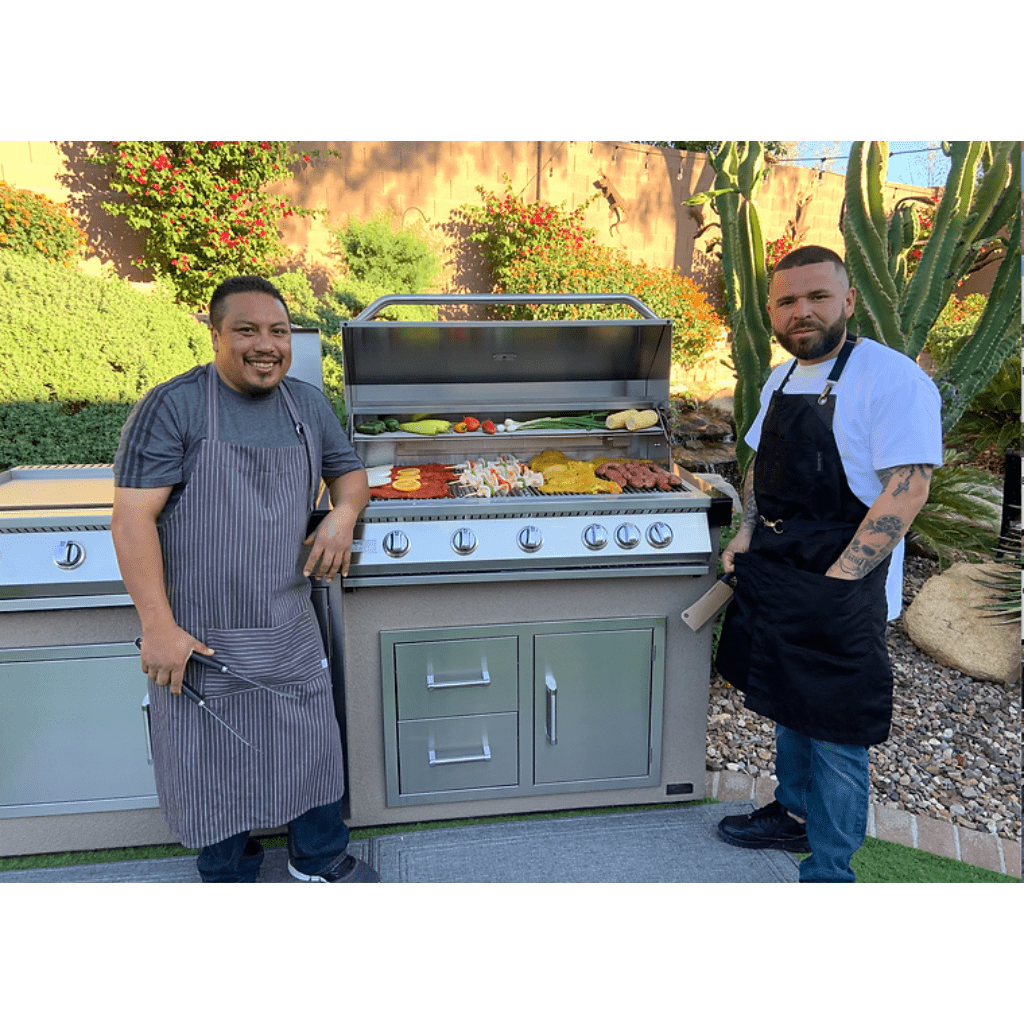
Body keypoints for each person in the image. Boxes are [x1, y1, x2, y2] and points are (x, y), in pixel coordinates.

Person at [111, 275, 378, 883]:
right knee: (208, 757)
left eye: (278, 332)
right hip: (200, 632)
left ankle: (319, 857)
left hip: (286, 620)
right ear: (215, 335)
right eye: (247, 330)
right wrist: (158, 627)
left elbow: (350, 474)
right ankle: (229, 872)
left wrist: (343, 514)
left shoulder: (306, 404)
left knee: (310, 742)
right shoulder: (173, 406)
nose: (266, 345)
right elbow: (130, 519)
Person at [713, 245, 943, 883]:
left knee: (837, 728)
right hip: (779, 565)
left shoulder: (890, 378)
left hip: (845, 578)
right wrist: (746, 532)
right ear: (771, 312)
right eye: (787, 301)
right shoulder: (782, 378)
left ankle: (831, 868)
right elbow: (759, 464)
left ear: (848, 300)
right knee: (787, 701)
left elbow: (908, 488)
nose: (802, 312)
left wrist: (841, 580)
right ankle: (792, 813)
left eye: (817, 297)